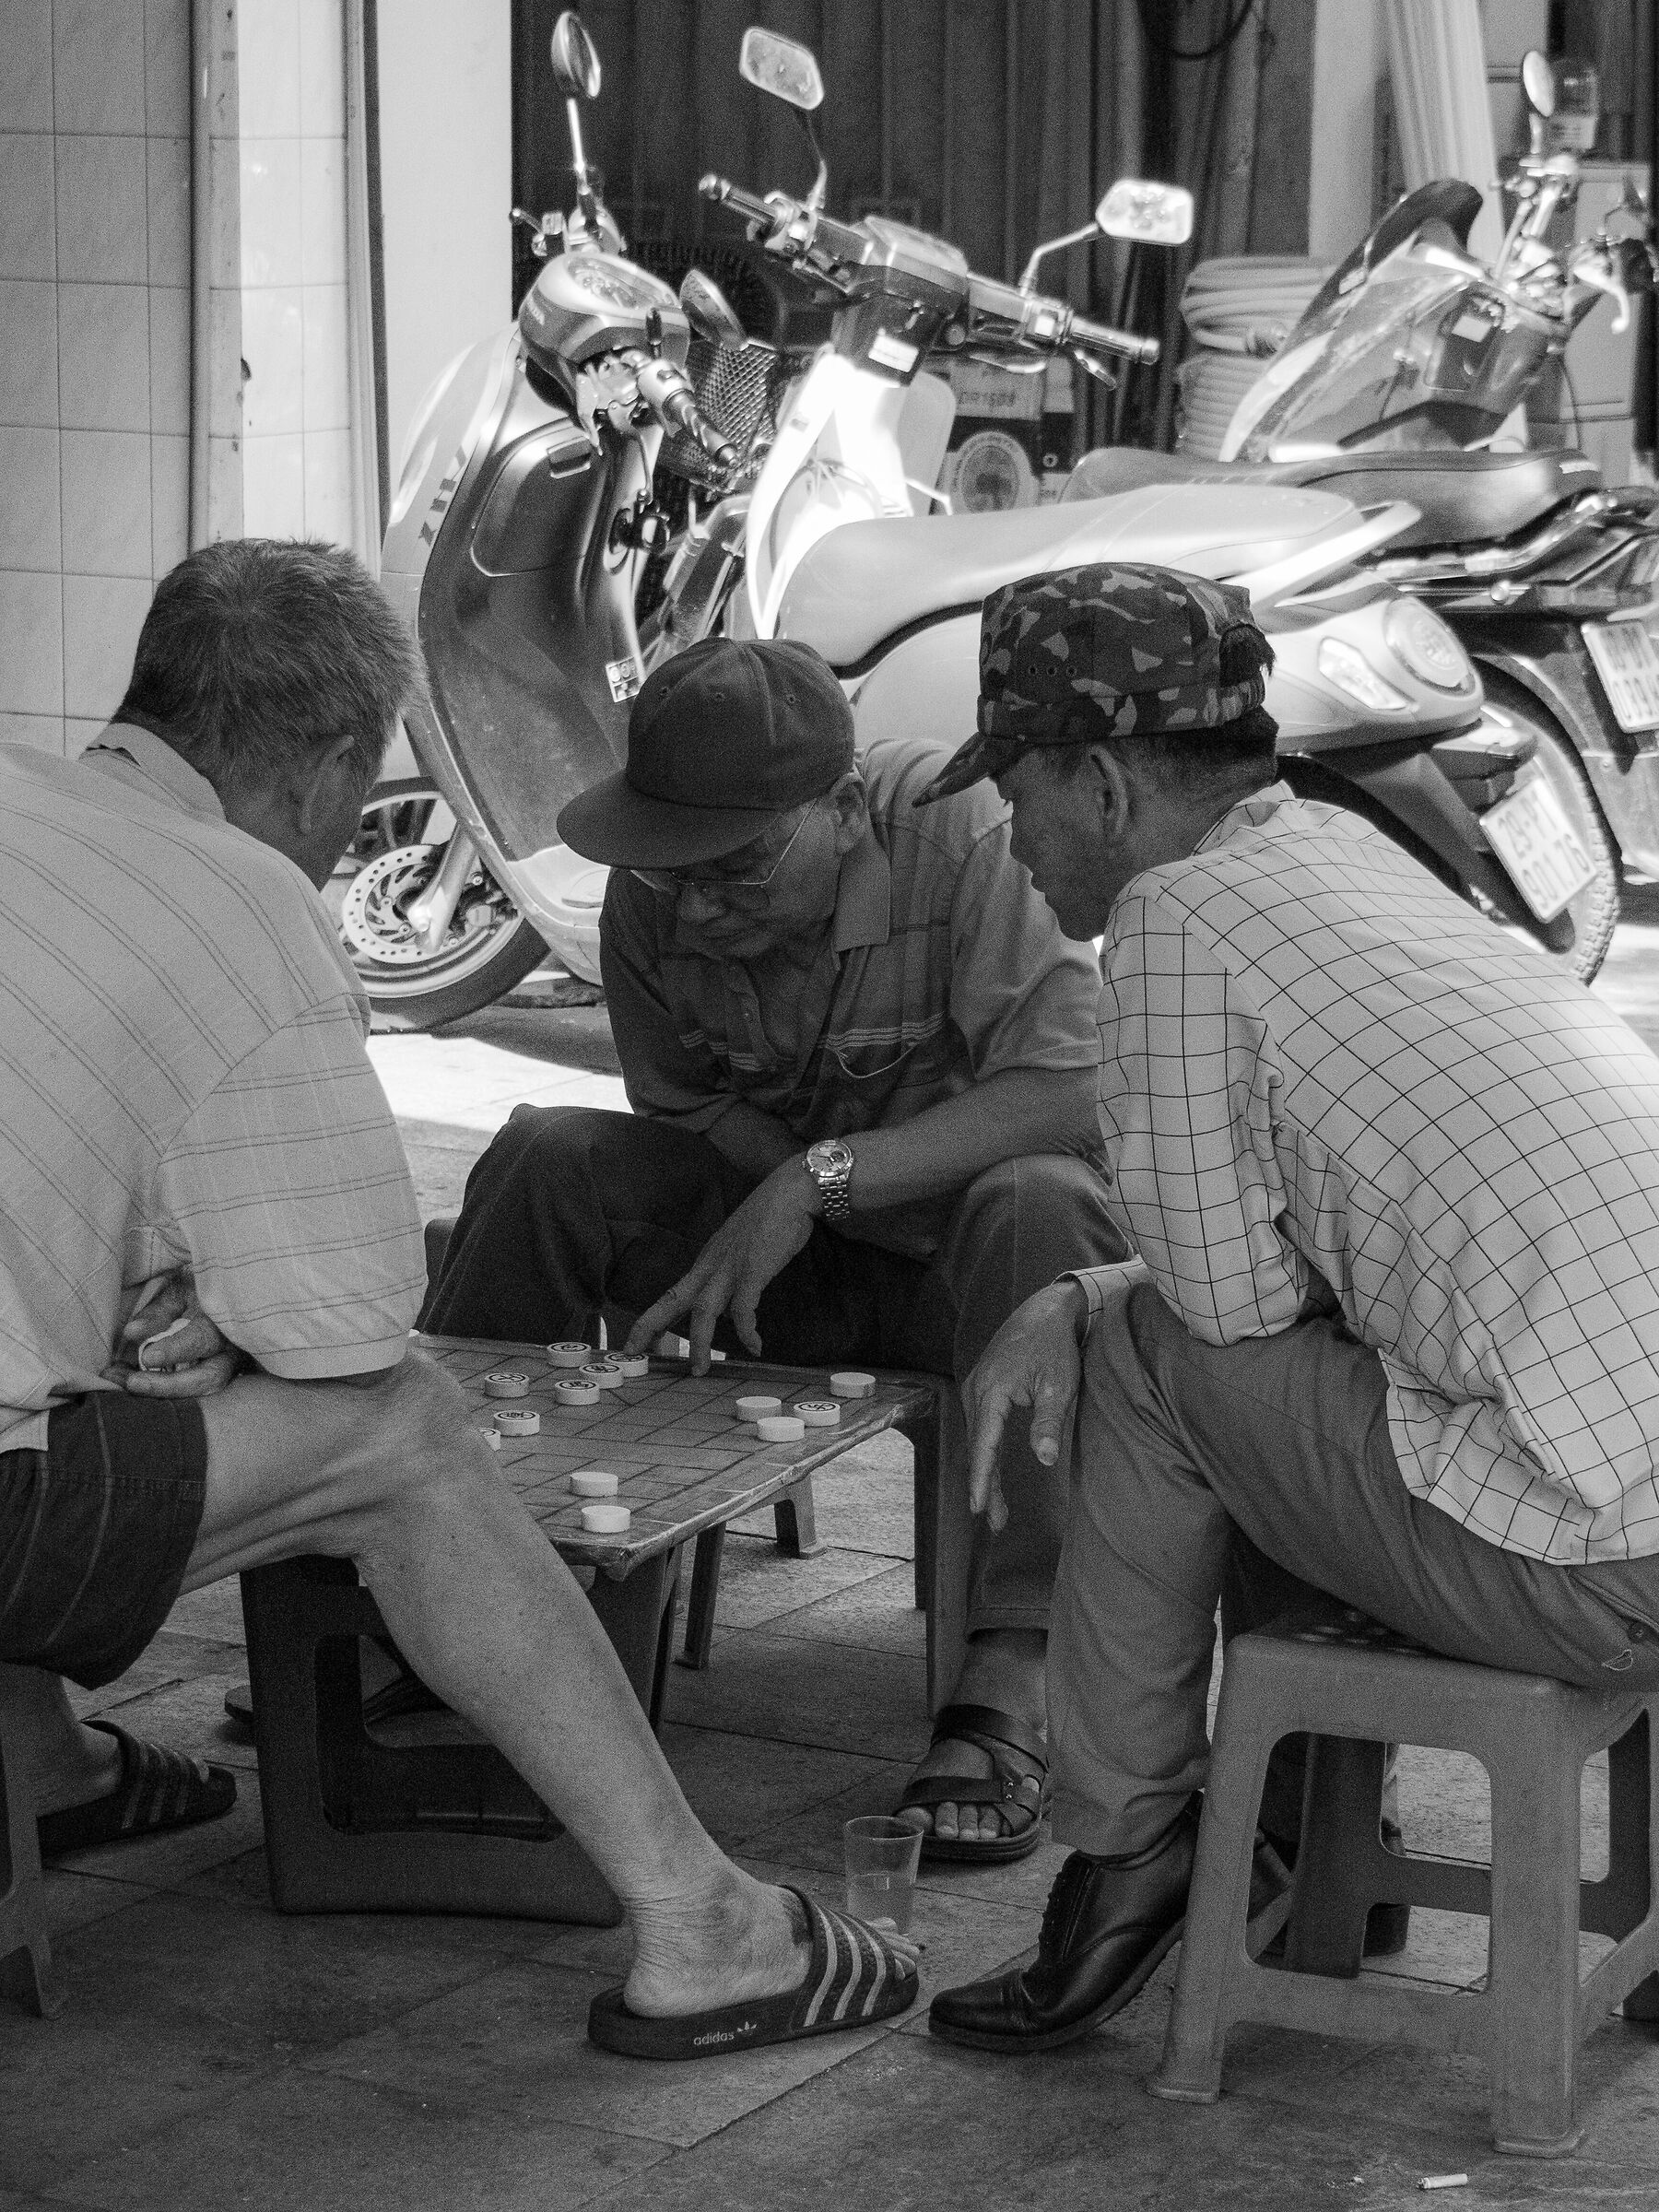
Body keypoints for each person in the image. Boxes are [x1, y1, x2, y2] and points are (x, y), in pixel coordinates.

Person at [0, 538, 917, 2056]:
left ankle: (40, 1763)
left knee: (69, 1348)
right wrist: (229, 1306)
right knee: (405, 1435)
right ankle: (706, 1924)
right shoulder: (238, 898)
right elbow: (346, 1335)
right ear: (332, 769)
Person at [919, 559, 1659, 2052]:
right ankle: (1315, 1836)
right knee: (1258, 1368)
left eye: (1021, 791)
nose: (1014, 838)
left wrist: (1076, 1298)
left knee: (1148, 1365)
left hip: (1608, 1561)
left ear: (1107, 784)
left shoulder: (1181, 920)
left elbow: (1221, 1315)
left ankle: (1131, 1849)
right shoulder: (1351, 855)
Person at [422, 634, 1129, 1862]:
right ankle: (444, 1598)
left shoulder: (966, 837)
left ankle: (1016, 1666)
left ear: (845, 812)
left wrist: (827, 1178)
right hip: (778, 1280)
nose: (693, 904)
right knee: (546, 1156)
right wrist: (790, 1198)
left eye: (736, 867)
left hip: (968, 1283)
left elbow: (1069, 1088)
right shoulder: (655, 891)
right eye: (670, 869)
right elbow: (686, 1110)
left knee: (1041, 1204)